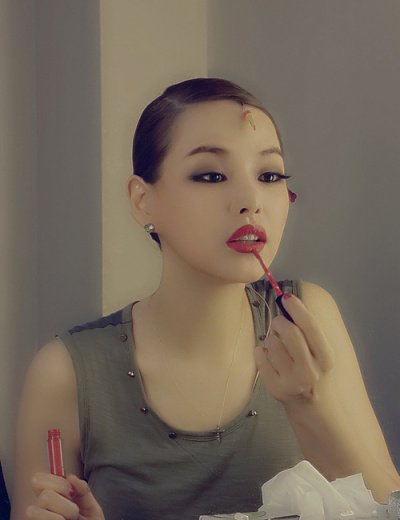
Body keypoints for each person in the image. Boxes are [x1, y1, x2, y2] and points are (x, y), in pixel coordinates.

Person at [11, 78, 400, 520]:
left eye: (269, 175)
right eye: (211, 175)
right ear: (142, 201)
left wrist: (312, 408)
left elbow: (389, 504)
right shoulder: (64, 372)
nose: (250, 200)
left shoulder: (309, 315)